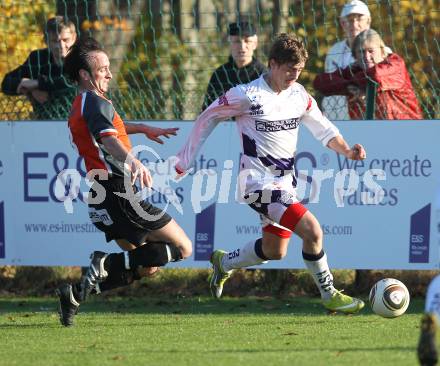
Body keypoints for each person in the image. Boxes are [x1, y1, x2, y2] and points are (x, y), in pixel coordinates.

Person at [176, 33, 366, 314]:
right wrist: (184, 160)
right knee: (313, 231)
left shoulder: (299, 95)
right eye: (289, 69)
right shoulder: (246, 95)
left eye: (299, 70)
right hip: (257, 185)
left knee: (274, 250)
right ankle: (330, 294)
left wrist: (348, 151)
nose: (294, 75)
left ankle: (224, 262)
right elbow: (208, 116)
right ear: (272, 64)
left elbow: (324, 130)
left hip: (283, 184)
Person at [55, 37, 192, 327]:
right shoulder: (94, 102)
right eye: (102, 68)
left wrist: (141, 128)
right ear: (84, 74)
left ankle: (76, 294)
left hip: (101, 195)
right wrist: (135, 162)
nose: (109, 73)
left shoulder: (83, 104)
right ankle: (104, 263)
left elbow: (109, 129)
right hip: (119, 192)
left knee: (148, 265)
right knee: (183, 248)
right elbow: (109, 140)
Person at [313, 29, 423, 120]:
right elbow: (320, 82)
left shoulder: (395, 64)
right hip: (368, 130)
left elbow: (376, 76)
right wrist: (348, 87)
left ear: (382, 51)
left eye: (371, 51)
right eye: (361, 52)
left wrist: (354, 85)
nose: (366, 56)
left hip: (406, 127)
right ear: (355, 56)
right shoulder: (356, 70)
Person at [1, 16, 78, 120]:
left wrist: (37, 84)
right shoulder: (37, 58)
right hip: (44, 121)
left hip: (78, 120)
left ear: (74, 38)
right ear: (46, 41)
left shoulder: (81, 57)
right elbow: (7, 83)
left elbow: (72, 82)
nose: (60, 45)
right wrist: (30, 90)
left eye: (65, 40)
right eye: (55, 41)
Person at [321, 0, 372, 120]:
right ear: (342, 24)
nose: (354, 24)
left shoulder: (380, 51)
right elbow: (329, 83)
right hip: (334, 120)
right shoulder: (334, 51)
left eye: (359, 19)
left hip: (367, 118)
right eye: (350, 20)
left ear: (368, 21)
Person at [202, 21, 266, 111]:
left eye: (247, 41)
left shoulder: (263, 74)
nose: (242, 47)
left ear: (255, 44)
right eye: (237, 41)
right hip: (224, 123)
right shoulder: (220, 74)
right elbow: (208, 108)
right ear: (230, 44)